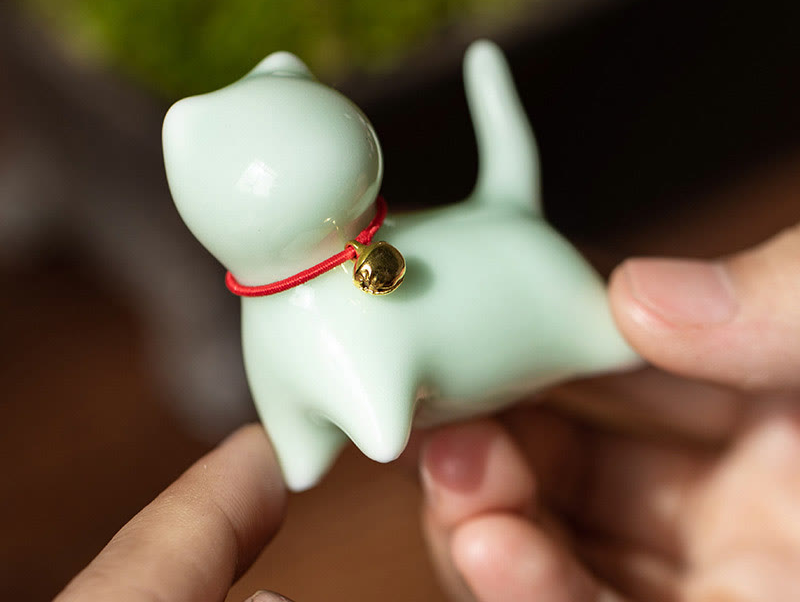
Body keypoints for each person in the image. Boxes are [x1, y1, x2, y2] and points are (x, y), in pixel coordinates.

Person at [56, 226, 800, 601]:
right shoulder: (273, 309)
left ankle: (594, 330)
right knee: (491, 535)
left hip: (585, 318)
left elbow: (385, 428)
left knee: (487, 514)